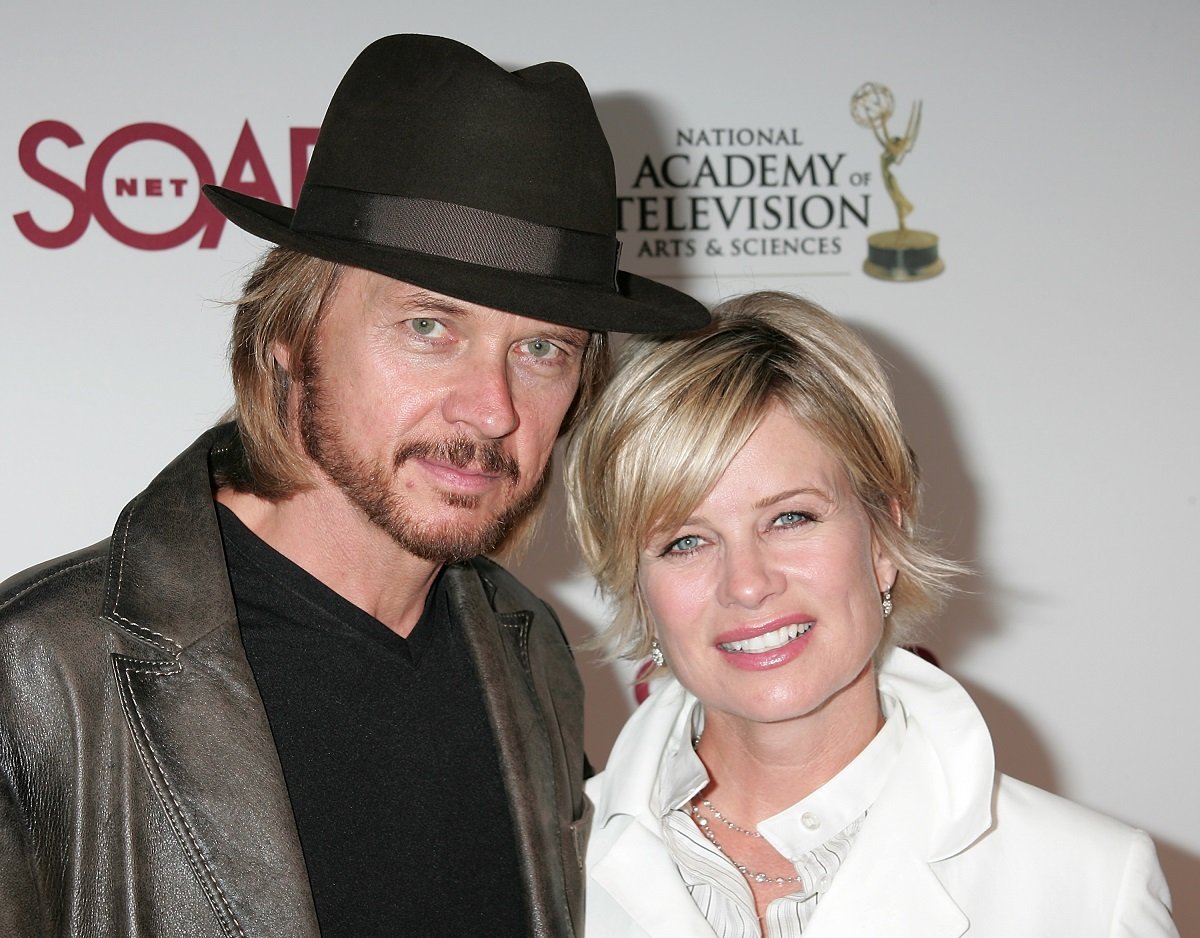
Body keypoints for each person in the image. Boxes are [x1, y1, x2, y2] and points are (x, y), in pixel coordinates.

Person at [0, 34, 707, 938]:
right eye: (428, 327)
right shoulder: (40, 673)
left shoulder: (529, 653)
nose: (493, 408)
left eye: (541, 349)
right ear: (288, 337)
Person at [564, 291, 1177, 936]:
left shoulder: (1090, 887)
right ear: (638, 588)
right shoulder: (536, 871)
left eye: (790, 518)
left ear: (883, 538)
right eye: (685, 542)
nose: (747, 585)